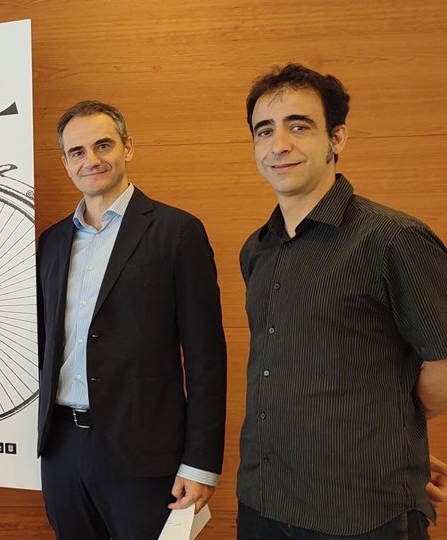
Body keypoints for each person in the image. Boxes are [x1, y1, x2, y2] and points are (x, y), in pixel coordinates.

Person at [237, 63, 447, 539]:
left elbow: (444, 362)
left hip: (361, 509)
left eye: (299, 126)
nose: (278, 144)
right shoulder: (257, 250)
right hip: (264, 501)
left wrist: (389, 428)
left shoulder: (392, 239)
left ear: (337, 138)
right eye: (264, 130)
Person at [36, 100, 227, 539]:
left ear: (128, 148)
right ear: (65, 163)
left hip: (144, 451)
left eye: (103, 145)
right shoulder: (52, 241)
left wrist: (200, 464)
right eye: (77, 151)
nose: (91, 160)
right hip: (62, 448)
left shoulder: (177, 232)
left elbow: (206, 358)